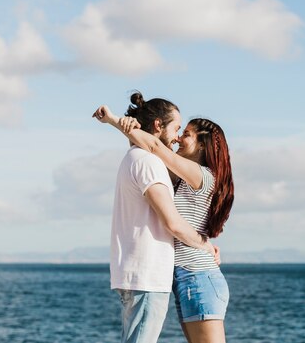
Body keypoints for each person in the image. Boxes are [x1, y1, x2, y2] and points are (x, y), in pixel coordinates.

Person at [94, 96, 234, 343]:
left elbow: (155, 148)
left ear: (202, 146)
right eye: (179, 130)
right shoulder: (179, 174)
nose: (179, 137)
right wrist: (131, 126)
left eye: (187, 133)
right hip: (185, 279)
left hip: (198, 276)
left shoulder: (201, 174)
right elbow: (145, 152)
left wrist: (114, 120)